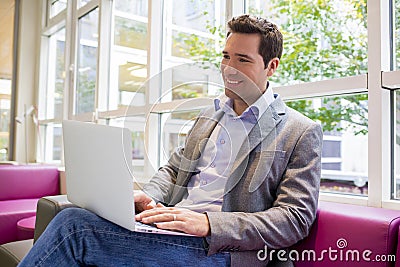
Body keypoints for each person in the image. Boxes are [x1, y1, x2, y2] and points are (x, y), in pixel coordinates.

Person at [19, 14, 322, 267]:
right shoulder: (210, 116)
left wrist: (207, 224)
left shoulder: (299, 130)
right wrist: (151, 197)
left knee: (74, 227)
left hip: (221, 248)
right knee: (79, 214)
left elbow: (294, 219)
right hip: (170, 228)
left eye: (242, 60)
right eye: (226, 56)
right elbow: (175, 170)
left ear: (271, 66)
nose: (229, 69)